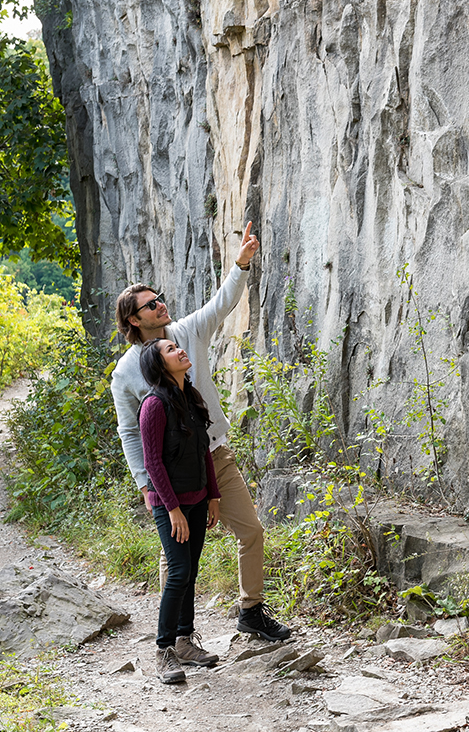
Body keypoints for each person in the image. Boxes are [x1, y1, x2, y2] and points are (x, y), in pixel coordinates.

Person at [110, 221, 292, 653]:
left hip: (215, 457)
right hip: (170, 474)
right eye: (151, 305)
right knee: (177, 559)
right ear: (134, 320)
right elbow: (129, 431)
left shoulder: (186, 333)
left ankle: (250, 612)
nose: (161, 305)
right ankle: (175, 637)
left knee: (251, 531)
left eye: (160, 299)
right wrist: (145, 483)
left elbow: (221, 304)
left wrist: (241, 264)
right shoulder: (126, 372)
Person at [138, 338, 221, 683]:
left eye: (177, 347)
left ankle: (186, 642)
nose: (180, 351)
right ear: (160, 365)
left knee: (192, 570)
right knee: (178, 571)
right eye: (171, 350)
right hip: (170, 506)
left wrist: (213, 496)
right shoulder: (153, 406)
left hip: (198, 500)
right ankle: (164, 650)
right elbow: (152, 462)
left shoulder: (190, 396)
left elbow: (205, 450)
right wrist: (172, 509)